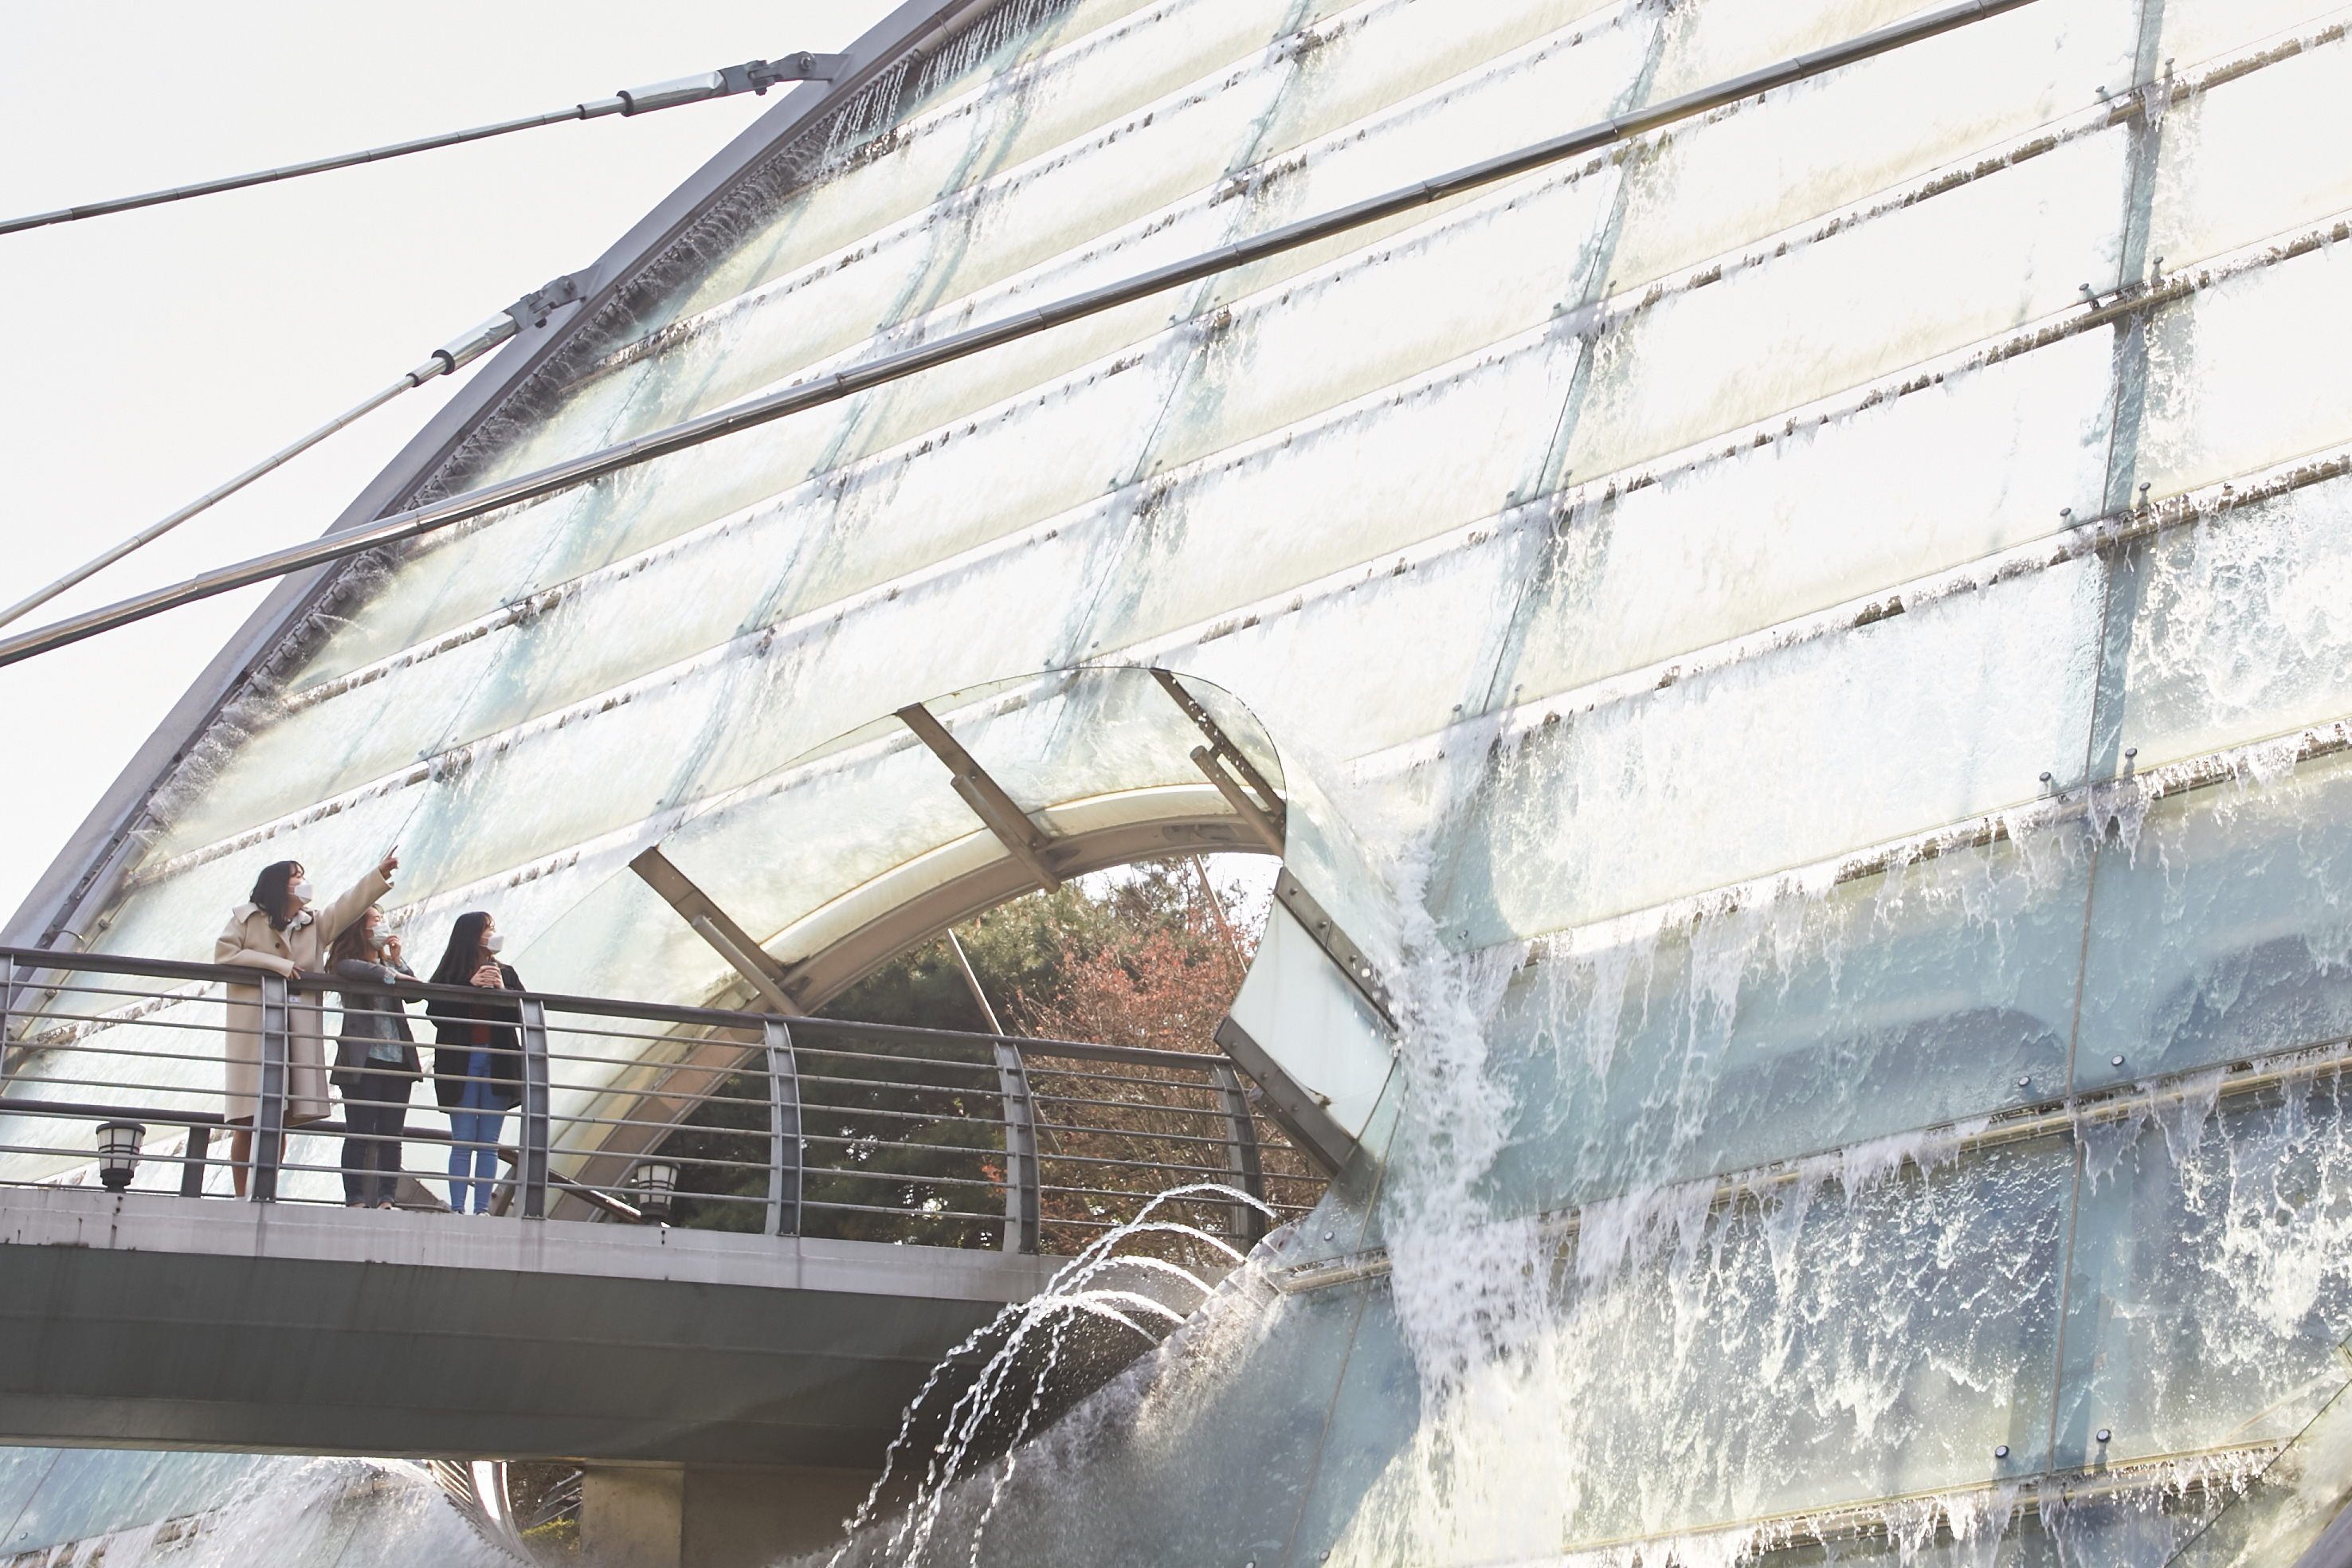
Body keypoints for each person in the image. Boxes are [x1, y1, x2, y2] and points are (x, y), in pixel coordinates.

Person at [215, 850, 398, 1197]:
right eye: (296, 876)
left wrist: (379, 874)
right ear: (278, 884)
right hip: (256, 1030)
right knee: (249, 1118)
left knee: (281, 1117)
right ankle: (242, 1196)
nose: (303, 882)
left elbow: (348, 906)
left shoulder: (312, 924)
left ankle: (264, 1189)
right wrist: (275, 965)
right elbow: (225, 954)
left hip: (294, 1031)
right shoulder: (246, 919)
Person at [425, 911, 523, 1215]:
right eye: (488, 929)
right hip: (462, 1062)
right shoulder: (452, 972)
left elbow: (523, 1013)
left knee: (489, 1141)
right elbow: (435, 1011)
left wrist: (502, 992)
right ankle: (458, 1208)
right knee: (463, 1137)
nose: (493, 933)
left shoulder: (506, 972)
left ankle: (482, 1209)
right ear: (472, 935)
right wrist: (468, 987)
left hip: (498, 1061)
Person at [328, 907, 419, 1209]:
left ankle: (387, 1199)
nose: (382, 925)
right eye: (376, 921)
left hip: (398, 1060)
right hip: (363, 1061)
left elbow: (414, 993)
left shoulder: (386, 964)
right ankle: (354, 1198)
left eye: (382, 920)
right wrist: (390, 974)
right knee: (359, 1132)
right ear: (361, 929)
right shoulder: (348, 963)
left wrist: (395, 959)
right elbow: (356, 970)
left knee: (392, 1135)